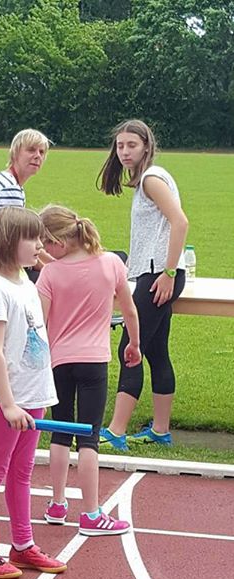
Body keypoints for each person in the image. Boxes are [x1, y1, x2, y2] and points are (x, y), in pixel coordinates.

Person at [0, 207, 67, 579]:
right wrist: (7, 403)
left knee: (23, 472)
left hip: (34, 392)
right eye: (33, 238)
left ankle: (23, 544)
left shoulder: (26, 280)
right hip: (7, 398)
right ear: (10, 242)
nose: (40, 244)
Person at [37, 205, 141, 534]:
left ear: (59, 241)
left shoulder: (50, 274)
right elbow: (130, 310)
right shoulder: (111, 263)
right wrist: (134, 344)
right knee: (89, 437)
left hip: (58, 360)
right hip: (94, 359)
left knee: (60, 430)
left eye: (45, 242)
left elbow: (40, 322)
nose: (43, 249)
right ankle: (92, 513)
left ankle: (57, 503)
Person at [97, 119, 189, 451]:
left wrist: (167, 272)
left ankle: (116, 431)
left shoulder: (152, 180)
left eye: (131, 145)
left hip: (157, 276)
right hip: (157, 274)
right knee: (156, 350)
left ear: (146, 146)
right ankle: (161, 430)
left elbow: (180, 221)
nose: (123, 151)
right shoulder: (147, 180)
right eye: (120, 146)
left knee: (129, 350)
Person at [0, 129, 51, 281]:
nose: (37, 156)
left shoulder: (9, 182)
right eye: (31, 150)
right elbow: (14, 241)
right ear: (15, 153)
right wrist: (52, 269)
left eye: (41, 152)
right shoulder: (9, 188)